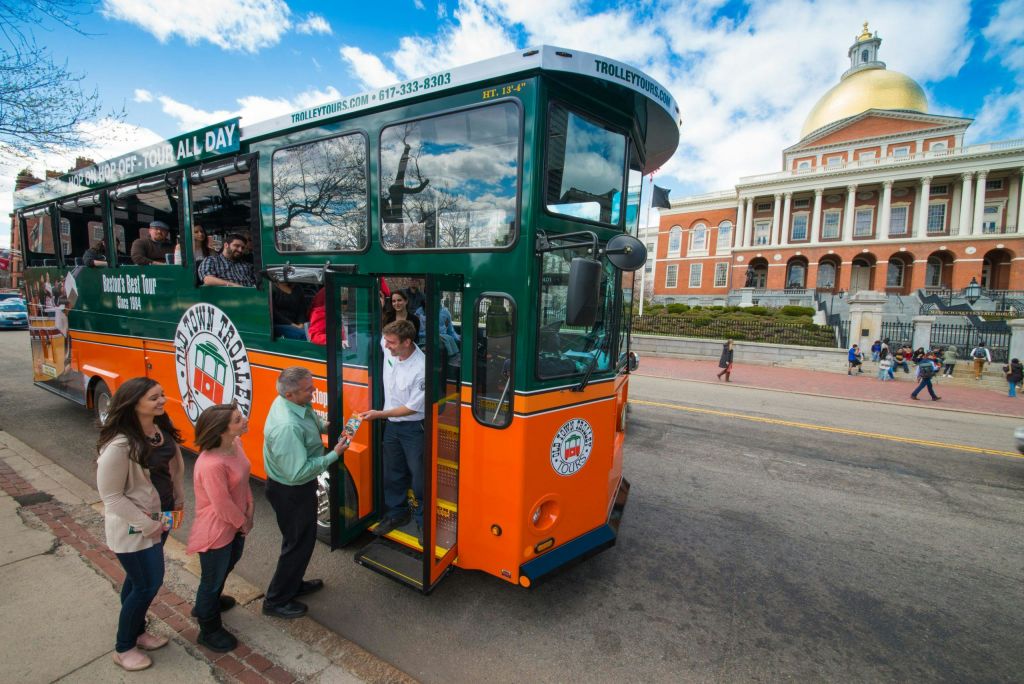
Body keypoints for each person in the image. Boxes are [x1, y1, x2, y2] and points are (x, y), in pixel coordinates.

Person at [96, 378, 182, 671]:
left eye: (162, 395)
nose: (162, 401)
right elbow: (111, 496)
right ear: (134, 404)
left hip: (163, 517)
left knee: (137, 581)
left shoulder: (159, 429)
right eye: (153, 398)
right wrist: (147, 525)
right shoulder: (120, 445)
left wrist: (178, 500)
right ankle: (124, 647)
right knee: (148, 583)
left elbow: (172, 468)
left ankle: (138, 631)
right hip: (137, 527)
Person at [262, 367, 348, 619]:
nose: (314, 391)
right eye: (309, 389)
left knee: (300, 542)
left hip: (293, 488)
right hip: (291, 491)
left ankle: (292, 584)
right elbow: (298, 472)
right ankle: (275, 601)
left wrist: (326, 426)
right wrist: (334, 455)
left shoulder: (292, 405)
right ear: (290, 393)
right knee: (297, 544)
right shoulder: (287, 426)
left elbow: (310, 419)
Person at [187, 404, 254, 652]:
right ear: (222, 430)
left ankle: (209, 603)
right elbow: (222, 504)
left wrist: (250, 506)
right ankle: (208, 628)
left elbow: (244, 478)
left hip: (236, 524)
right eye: (238, 419)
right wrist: (244, 522)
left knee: (226, 567)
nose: (245, 419)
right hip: (217, 531)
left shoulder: (235, 444)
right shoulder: (211, 464)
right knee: (211, 580)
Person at [359, 320, 426, 543]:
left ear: (407, 342)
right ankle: (397, 514)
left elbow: (411, 408)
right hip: (392, 425)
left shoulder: (421, 368)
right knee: (392, 471)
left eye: (391, 343)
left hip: (413, 427)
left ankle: (423, 520)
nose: (386, 346)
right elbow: (384, 336)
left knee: (419, 477)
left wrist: (378, 414)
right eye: (385, 340)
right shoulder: (390, 345)